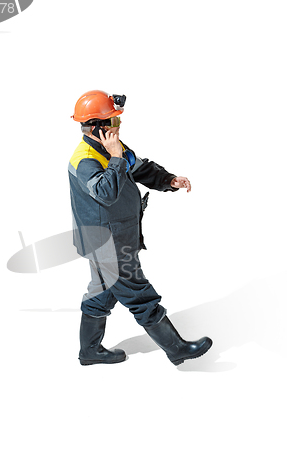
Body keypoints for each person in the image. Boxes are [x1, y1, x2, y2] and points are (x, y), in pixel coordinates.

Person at [68, 90, 212, 366]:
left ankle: (89, 351)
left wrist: (168, 180)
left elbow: (137, 167)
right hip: (107, 244)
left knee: (101, 293)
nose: (118, 126)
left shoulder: (109, 148)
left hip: (108, 239)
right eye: (114, 121)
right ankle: (177, 349)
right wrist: (116, 158)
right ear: (99, 126)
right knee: (138, 293)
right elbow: (106, 191)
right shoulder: (85, 159)